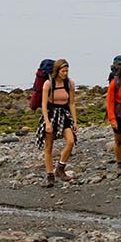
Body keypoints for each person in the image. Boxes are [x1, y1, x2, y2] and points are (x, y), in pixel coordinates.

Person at [41, 58, 78, 186]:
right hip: (51, 114)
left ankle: (60, 168)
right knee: (49, 147)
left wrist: (75, 121)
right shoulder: (48, 84)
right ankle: (50, 175)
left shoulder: (70, 84)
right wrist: (47, 123)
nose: (65, 73)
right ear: (57, 71)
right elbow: (44, 105)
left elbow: (72, 103)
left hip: (64, 114)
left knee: (71, 141)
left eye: (67, 71)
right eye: (63, 71)